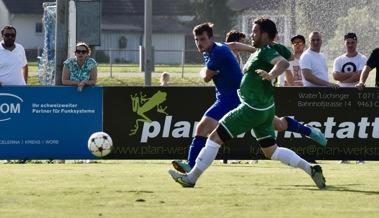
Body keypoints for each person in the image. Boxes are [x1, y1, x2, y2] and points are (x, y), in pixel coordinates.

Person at [169, 17, 326, 189]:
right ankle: (311, 169)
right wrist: (277, 48)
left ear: (265, 35)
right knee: (271, 150)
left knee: (214, 137)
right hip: (264, 108)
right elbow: (288, 55)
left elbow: (282, 62)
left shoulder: (265, 50)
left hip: (250, 108)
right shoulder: (267, 49)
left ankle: (191, 177)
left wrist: (271, 74)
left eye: (255, 32)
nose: (251, 34)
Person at [61, 42, 98, 164]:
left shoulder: (91, 63)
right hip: (70, 99)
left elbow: (93, 81)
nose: (80, 54)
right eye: (78, 51)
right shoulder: (68, 63)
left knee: (86, 127)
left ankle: (86, 156)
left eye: (83, 52)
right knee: (68, 127)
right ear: (75, 53)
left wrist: (85, 83)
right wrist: (79, 83)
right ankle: (62, 156)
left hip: (87, 99)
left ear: (87, 53)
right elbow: (64, 81)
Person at [333, 33, 367, 164]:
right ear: (344, 43)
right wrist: (353, 75)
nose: (350, 45)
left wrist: (344, 77)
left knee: (358, 126)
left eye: (352, 43)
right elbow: (335, 76)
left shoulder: (362, 59)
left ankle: (360, 157)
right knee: (343, 126)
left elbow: (360, 76)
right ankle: (344, 156)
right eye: (348, 43)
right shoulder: (338, 60)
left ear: (356, 43)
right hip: (342, 96)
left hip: (357, 95)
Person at [0, 25, 28, 164]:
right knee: (4, 124)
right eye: (7, 35)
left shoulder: (20, 48)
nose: (10, 37)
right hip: (3, 94)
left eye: (12, 35)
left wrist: (25, 83)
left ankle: (19, 154)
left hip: (19, 92)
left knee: (19, 124)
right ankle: (6, 154)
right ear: (2, 36)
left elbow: (24, 65)